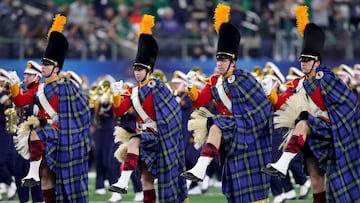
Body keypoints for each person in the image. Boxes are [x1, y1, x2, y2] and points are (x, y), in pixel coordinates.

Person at [261, 5, 360, 203]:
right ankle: (285, 164)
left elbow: (347, 103)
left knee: (303, 120)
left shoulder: (327, 77)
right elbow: (282, 105)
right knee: (315, 177)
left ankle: (283, 162)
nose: (303, 63)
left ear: (317, 62)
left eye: (307, 59)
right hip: (312, 134)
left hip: (331, 131)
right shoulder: (296, 84)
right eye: (301, 59)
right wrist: (269, 93)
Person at [180, 4, 273, 203]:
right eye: (218, 59)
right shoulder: (214, 80)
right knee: (234, 187)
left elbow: (262, 108)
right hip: (230, 136)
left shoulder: (245, 78)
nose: (220, 62)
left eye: (224, 59)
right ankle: (201, 167)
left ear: (233, 61)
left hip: (248, 132)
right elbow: (201, 103)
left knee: (255, 192)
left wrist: (243, 122)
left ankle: (201, 167)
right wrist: (191, 88)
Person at [7, 14, 91, 202]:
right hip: (47, 137)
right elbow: (20, 101)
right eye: (43, 63)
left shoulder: (66, 86)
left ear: (56, 68)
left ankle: (33, 171)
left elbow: (84, 112)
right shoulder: (39, 88)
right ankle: (34, 172)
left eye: (47, 64)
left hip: (65, 137)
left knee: (66, 184)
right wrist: (13, 85)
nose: (43, 67)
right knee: (46, 179)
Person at [108, 14, 188, 203]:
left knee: (134, 140)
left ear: (149, 71)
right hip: (146, 139)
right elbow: (119, 112)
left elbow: (173, 113)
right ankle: (125, 182)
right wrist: (116, 96)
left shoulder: (159, 87)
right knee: (146, 179)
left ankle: (123, 180)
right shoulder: (132, 91)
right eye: (135, 68)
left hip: (161, 138)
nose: (137, 72)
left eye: (140, 69)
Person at [262, 64, 310, 203]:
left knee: (285, 161)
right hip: (270, 131)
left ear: (277, 82)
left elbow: (281, 104)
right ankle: (287, 190)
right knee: (277, 162)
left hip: (287, 130)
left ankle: (294, 187)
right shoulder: (267, 94)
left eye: (271, 81)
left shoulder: (288, 93)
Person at [13, 61, 44, 203]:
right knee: (19, 171)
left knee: (35, 174)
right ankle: (23, 200)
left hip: (37, 138)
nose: (26, 77)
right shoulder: (23, 92)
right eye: (25, 74)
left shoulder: (42, 93)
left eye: (30, 75)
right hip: (22, 138)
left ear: (38, 76)